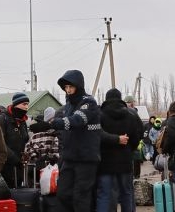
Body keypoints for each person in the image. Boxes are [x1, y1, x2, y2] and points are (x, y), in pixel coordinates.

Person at [50, 70, 102, 212]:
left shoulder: (89, 102)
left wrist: (54, 123)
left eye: (70, 87)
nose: (68, 90)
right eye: (66, 88)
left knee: (81, 197)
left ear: (78, 86)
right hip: (69, 157)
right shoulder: (68, 105)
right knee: (63, 194)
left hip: (86, 159)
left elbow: (78, 120)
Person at [96, 89, 138, 212]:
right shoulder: (130, 115)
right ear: (120, 99)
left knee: (104, 195)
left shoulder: (100, 115)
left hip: (105, 162)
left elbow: (97, 136)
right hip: (124, 161)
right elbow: (135, 138)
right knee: (126, 194)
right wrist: (128, 149)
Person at [0, 93, 31, 189]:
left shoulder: (22, 121)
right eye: (24, 104)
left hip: (20, 165)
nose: (26, 107)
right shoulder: (3, 119)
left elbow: (25, 139)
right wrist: (13, 158)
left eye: (27, 104)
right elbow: (0, 142)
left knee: (19, 192)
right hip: (6, 165)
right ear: (16, 104)